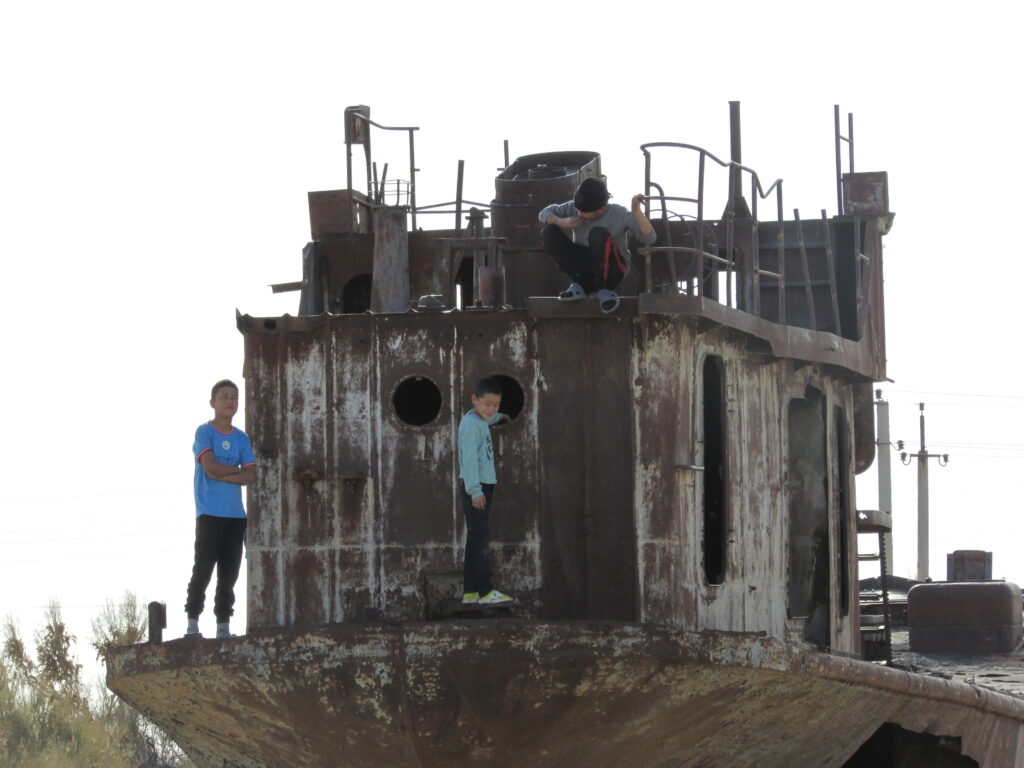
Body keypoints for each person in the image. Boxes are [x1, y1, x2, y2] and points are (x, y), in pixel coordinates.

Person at [184, 379, 256, 638]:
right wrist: (234, 472)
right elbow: (210, 467)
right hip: (209, 512)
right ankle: (192, 623)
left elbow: (251, 476)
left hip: (236, 516)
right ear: (213, 402)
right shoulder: (204, 432)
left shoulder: (241, 438)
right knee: (202, 569)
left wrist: (224, 474)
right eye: (224, 396)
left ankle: (223, 627)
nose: (230, 401)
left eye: (234, 397)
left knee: (229, 574)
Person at [538, 176, 657, 313]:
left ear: (600, 210)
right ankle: (579, 284)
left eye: (583, 212)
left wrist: (637, 212)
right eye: (577, 209)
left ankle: (604, 290)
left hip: (613, 271)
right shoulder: (574, 208)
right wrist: (563, 222)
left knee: (597, 234)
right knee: (549, 231)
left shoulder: (619, 213)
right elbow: (543, 214)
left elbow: (649, 237)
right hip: (585, 269)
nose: (578, 213)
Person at [458, 377, 513, 606]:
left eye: (496, 405)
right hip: (477, 487)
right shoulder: (470, 425)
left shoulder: (480, 420)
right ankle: (486, 592)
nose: (491, 409)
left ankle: (470, 592)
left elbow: (490, 419)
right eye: (487, 404)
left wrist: (502, 417)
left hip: (483, 485)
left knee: (474, 540)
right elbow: (469, 460)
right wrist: (475, 490)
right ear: (474, 400)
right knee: (480, 541)